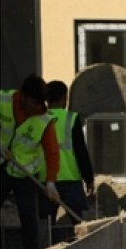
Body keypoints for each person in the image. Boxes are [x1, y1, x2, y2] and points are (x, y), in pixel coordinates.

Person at [0, 76, 59, 249]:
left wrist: (50, 182)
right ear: (23, 96)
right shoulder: (0, 100)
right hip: (1, 167)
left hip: (25, 174)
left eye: (40, 104)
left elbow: (52, 153)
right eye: (34, 103)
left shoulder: (43, 119)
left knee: (29, 221)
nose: (37, 108)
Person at [45, 80, 95, 231]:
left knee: (46, 223)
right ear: (64, 98)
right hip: (70, 179)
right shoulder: (71, 119)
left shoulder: (39, 118)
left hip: (46, 179)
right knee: (79, 223)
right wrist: (89, 178)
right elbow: (81, 151)